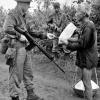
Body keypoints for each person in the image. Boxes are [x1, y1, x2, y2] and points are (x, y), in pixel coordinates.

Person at [3, 0, 55, 100]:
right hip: (16, 49)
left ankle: (31, 94)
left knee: (28, 72)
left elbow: (30, 31)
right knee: (16, 75)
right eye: (28, 4)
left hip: (25, 48)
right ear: (21, 3)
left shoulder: (24, 16)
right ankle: (15, 97)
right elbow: (6, 28)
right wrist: (19, 36)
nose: (29, 6)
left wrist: (44, 35)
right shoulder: (12, 14)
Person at [61, 11, 98, 100]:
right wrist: (67, 38)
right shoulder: (86, 25)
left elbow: (82, 44)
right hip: (87, 58)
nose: (75, 15)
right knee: (85, 82)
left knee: (87, 84)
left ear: (84, 14)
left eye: (78, 13)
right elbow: (81, 39)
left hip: (88, 59)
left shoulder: (88, 27)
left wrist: (67, 44)